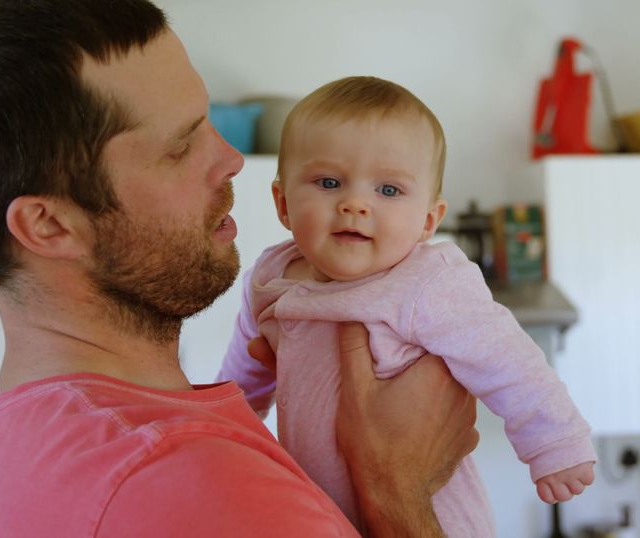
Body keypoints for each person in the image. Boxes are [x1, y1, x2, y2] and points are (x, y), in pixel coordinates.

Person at [0, 0, 479, 537]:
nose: (230, 159)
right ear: (51, 224)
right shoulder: (208, 490)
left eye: (209, 122)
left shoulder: (34, 420)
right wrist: (396, 489)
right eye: (180, 146)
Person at [218, 76, 598, 536]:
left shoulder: (428, 281)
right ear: (282, 203)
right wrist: (222, 429)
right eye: (329, 182)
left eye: (389, 191)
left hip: (432, 512)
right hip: (318, 509)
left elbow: (509, 362)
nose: (355, 203)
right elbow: (245, 366)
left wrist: (555, 442)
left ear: (428, 220)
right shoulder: (271, 275)